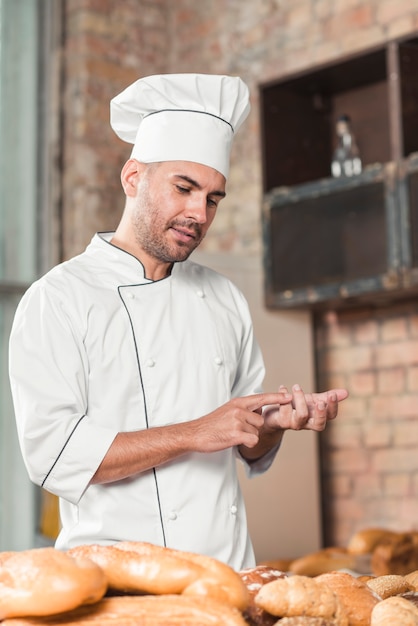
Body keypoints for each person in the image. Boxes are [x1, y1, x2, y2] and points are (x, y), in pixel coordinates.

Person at [9, 73, 348, 571]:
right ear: (133, 178)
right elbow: (54, 457)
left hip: (227, 578)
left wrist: (274, 425)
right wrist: (196, 432)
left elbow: (245, 442)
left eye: (213, 198)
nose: (198, 213)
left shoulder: (223, 298)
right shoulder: (58, 299)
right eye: (184, 188)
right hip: (120, 587)